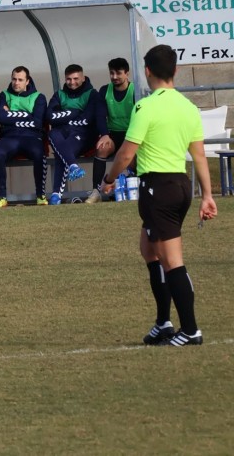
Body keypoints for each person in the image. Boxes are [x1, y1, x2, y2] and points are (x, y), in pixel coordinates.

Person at [99, 44, 217, 347]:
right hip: (180, 185)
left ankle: (190, 330)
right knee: (149, 251)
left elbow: (127, 153)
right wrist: (207, 195)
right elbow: (199, 156)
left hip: (158, 189)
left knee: (172, 261)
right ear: (175, 70)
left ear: (147, 71)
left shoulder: (145, 107)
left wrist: (109, 180)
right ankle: (164, 323)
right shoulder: (188, 107)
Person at [0, 66, 49, 207]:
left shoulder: (39, 97)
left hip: (31, 137)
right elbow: (0, 117)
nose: (16, 83)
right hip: (9, 137)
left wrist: (11, 114)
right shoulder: (4, 95)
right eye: (14, 79)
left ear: (27, 81)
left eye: (20, 80)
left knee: (39, 154)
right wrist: (27, 115)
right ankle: (1, 196)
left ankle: (40, 195)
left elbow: (37, 122)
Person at [86, 57, 137, 203]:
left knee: (131, 158)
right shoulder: (104, 90)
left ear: (127, 73)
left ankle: (135, 187)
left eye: (118, 73)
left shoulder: (135, 90)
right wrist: (104, 135)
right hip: (113, 135)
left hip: (131, 135)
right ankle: (96, 191)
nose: (114, 77)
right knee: (102, 148)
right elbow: (100, 115)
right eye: (111, 73)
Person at [46, 64, 98, 204]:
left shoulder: (91, 93)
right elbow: (50, 117)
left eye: (75, 78)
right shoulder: (59, 94)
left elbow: (87, 119)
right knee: (52, 133)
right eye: (68, 79)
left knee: (62, 151)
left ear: (83, 78)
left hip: (84, 135)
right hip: (63, 132)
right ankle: (73, 166)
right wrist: (75, 113)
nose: (72, 82)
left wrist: (63, 117)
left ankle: (56, 194)